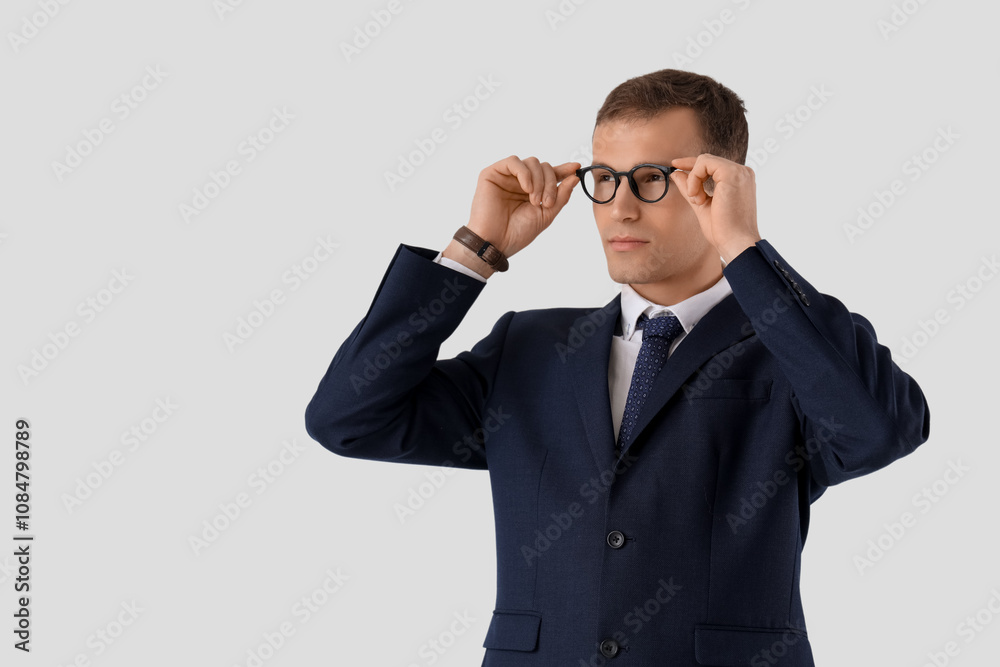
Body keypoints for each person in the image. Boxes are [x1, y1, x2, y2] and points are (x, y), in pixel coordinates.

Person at [304, 68, 930, 666]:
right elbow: (349, 419)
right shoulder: (529, 346)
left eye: (653, 179)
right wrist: (475, 248)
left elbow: (880, 430)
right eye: (604, 178)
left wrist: (744, 247)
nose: (620, 208)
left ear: (718, 182)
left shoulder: (793, 346)